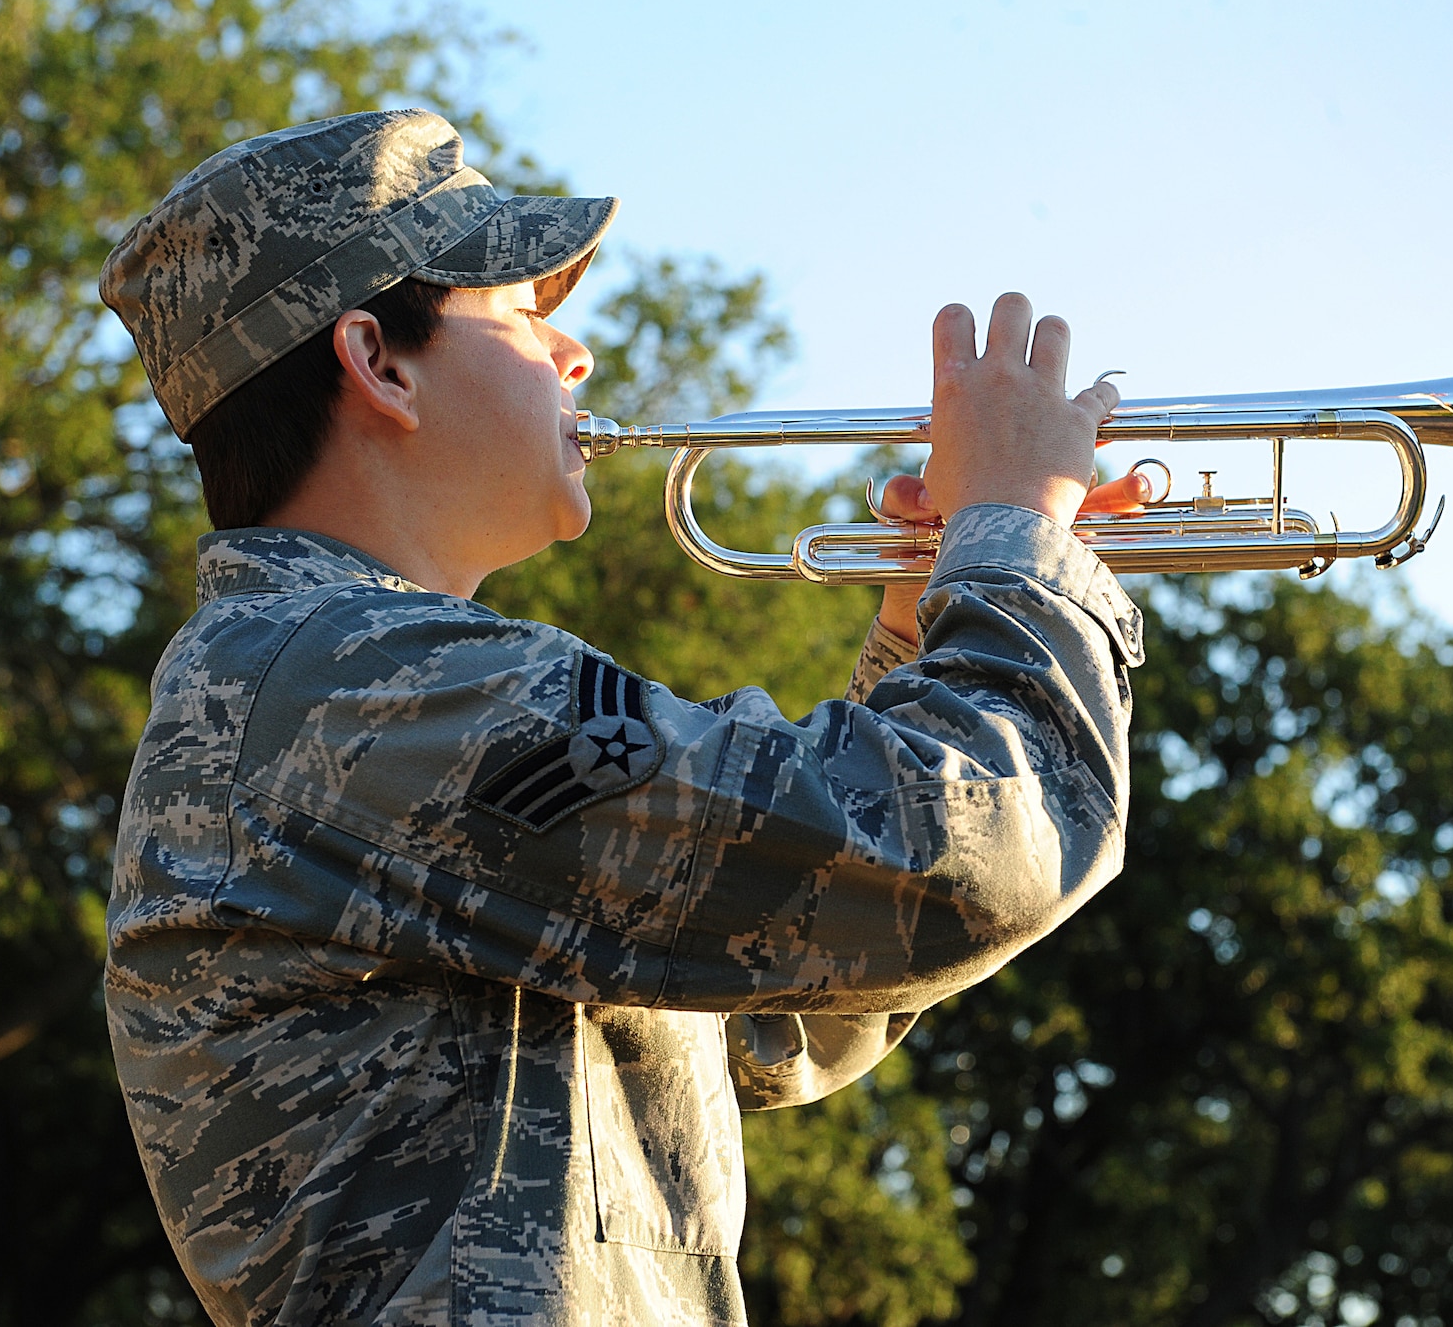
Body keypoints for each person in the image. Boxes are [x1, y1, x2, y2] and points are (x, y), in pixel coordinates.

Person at [100, 107, 1143, 1326]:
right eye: (520, 312)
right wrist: (1013, 536)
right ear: (378, 361)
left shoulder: (341, 683)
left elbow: (783, 999)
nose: (574, 352)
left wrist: (921, 620)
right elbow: (959, 859)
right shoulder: (352, 679)